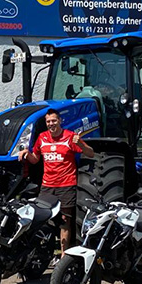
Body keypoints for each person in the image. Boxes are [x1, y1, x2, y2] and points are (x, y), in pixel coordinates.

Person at [18, 109, 94, 258]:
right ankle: (44, 253)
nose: (51, 124)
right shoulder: (42, 137)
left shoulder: (70, 137)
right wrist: (26, 154)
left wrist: (82, 145)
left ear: (60, 121)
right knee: (42, 219)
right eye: (48, 122)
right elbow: (35, 159)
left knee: (65, 220)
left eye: (53, 120)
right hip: (47, 186)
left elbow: (91, 153)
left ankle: (64, 257)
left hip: (66, 184)